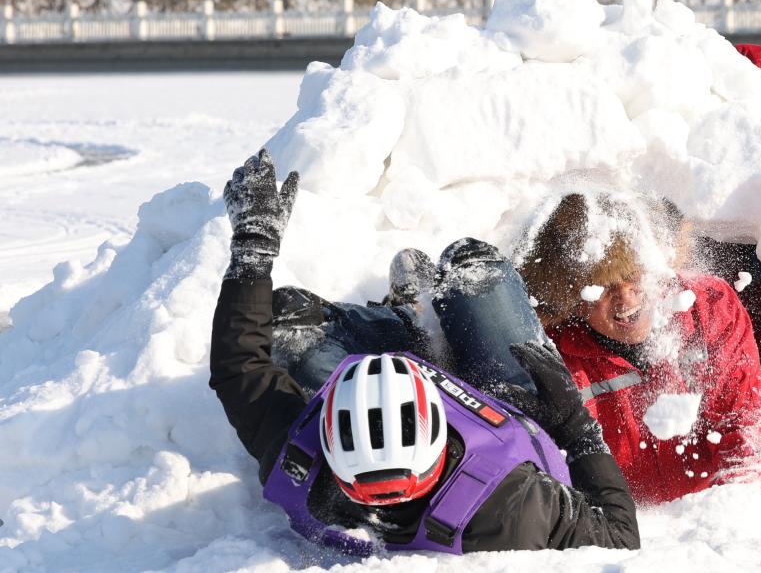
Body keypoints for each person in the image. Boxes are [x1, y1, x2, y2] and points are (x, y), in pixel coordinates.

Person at [209, 151, 639, 555]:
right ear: (437, 413)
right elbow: (620, 538)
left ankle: (414, 321)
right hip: (510, 404)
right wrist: (576, 426)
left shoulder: (301, 467)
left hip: (432, 403)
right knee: (468, 265)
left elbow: (239, 366)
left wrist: (253, 247)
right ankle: (423, 315)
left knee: (286, 321)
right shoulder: (514, 505)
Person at [517, 193, 761, 503]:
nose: (626, 297)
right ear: (576, 300)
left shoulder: (709, 306)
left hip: (720, 515)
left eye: (632, 276)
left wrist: (729, 512)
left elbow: (747, 423)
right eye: (603, 285)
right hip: (634, 537)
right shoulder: (556, 356)